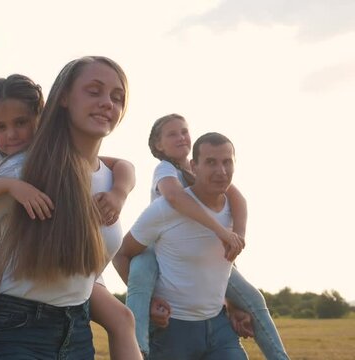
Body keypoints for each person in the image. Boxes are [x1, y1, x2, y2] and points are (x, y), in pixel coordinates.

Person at [0, 68, 140, 359]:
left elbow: (123, 165)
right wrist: (10, 186)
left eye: (21, 122)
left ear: (41, 117)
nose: (12, 134)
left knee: (123, 318)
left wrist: (119, 192)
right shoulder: (2, 166)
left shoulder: (72, 159)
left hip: (74, 311)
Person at [121, 114, 289, 359]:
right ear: (158, 145)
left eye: (184, 131)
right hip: (156, 249)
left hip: (200, 264)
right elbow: (175, 198)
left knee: (252, 298)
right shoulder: (165, 170)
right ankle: (138, 349)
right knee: (139, 282)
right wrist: (220, 231)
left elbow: (238, 198)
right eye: (172, 134)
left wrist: (237, 238)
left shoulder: (204, 172)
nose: (180, 137)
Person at [114, 132, 251, 359]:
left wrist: (234, 306)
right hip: (171, 331)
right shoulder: (165, 209)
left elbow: (222, 264)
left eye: (227, 162)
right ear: (194, 167)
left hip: (219, 327)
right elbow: (121, 254)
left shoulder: (233, 209)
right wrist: (147, 303)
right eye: (211, 162)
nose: (221, 171)